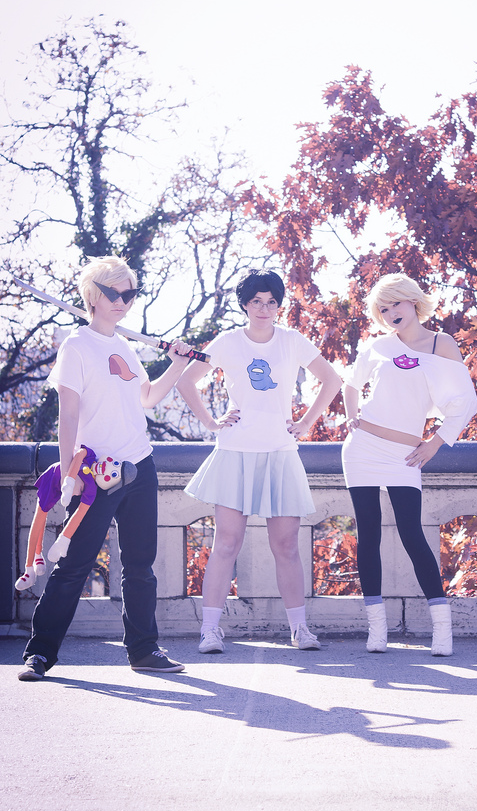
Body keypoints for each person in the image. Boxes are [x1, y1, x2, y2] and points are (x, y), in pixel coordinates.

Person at [19, 255, 192, 681]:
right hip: (95, 472)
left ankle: (144, 650)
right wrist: (69, 475)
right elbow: (68, 414)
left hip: (139, 464)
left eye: (129, 294)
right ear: (93, 295)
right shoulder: (76, 345)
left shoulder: (126, 346)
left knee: (140, 565)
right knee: (74, 564)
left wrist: (178, 363)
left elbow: (147, 398)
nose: (122, 301)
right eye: (113, 293)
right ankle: (39, 654)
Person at [176, 269, 342, 653]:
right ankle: (210, 631)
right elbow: (186, 381)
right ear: (245, 305)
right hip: (235, 452)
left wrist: (305, 423)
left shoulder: (292, 340)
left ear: (279, 305)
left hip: (280, 452)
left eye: (271, 302)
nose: (264, 309)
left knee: (286, 546)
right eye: (256, 302)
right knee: (226, 543)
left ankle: (300, 629)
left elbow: (332, 380)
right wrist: (212, 423)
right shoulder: (228, 341)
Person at [341, 274, 477, 656]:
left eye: (396, 304)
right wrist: (352, 417)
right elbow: (350, 384)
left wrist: (436, 443)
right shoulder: (377, 347)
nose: (391, 314)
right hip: (362, 448)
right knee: (368, 534)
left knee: (411, 534)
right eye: (383, 309)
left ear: (413, 301)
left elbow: (467, 401)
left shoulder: (441, 344)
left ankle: (442, 631)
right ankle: (377, 630)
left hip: (405, 454)